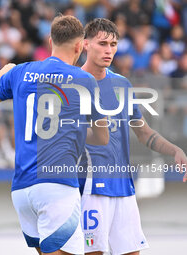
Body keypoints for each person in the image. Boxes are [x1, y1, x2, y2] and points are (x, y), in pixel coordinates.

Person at [0, 15, 109, 255]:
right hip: (56, 186)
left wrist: (3, 72)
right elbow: (103, 137)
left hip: (22, 188)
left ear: (50, 41)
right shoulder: (84, 79)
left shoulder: (21, 72)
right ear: (79, 46)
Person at [80, 18, 187, 255]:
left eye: (114, 44)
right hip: (91, 187)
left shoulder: (122, 84)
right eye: (103, 44)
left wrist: (176, 150)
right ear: (86, 44)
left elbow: (143, 132)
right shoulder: (73, 84)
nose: (109, 50)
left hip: (124, 188)